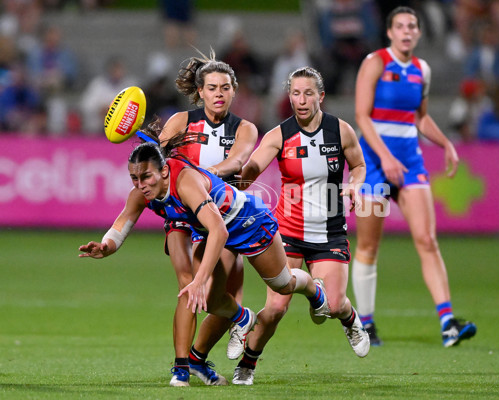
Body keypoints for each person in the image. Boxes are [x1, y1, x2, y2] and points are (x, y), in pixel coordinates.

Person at [78, 136, 330, 384]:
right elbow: (122, 223)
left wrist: (199, 279)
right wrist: (106, 246)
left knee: (283, 284)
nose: (141, 184)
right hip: (214, 231)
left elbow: (220, 230)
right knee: (207, 300)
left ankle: (314, 290)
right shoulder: (143, 193)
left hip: (248, 223)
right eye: (135, 178)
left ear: (164, 171)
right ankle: (242, 318)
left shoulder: (185, 181)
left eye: (146, 176)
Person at [232, 66, 370, 386]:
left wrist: (354, 186)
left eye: (308, 93)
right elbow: (255, 163)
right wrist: (240, 177)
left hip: (330, 233)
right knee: (276, 308)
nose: (301, 100)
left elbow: (359, 165)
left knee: (333, 306)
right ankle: (247, 364)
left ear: (320, 96)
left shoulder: (341, 131)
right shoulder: (280, 134)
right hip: (288, 233)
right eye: (295, 93)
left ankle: (350, 320)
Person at [351, 6, 477, 347]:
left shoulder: (422, 69)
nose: (407, 31)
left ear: (418, 34)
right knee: (368, 245)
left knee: (427, 239)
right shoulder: (375, 63)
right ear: (390, 32)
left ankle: (448, 323)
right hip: (375, 164)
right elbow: (362, 116)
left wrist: (446, 142)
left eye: (412, 27)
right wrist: (385, 157)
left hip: (409, 162)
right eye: (400, 26)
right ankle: (366, 324)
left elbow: (420, 118)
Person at [156, 51, 259, 387]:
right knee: (190, 284)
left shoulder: (245, 128)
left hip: (223, 216)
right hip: (184, 216)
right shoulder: (180, 122)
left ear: (233, 91)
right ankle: (181, 367)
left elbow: (238, 161)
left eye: (225, 87)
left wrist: (202, 176)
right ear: (200, 91)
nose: (218, 93)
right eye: (212, 87)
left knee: (226, 298)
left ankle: (198, 358)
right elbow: (157, 167)